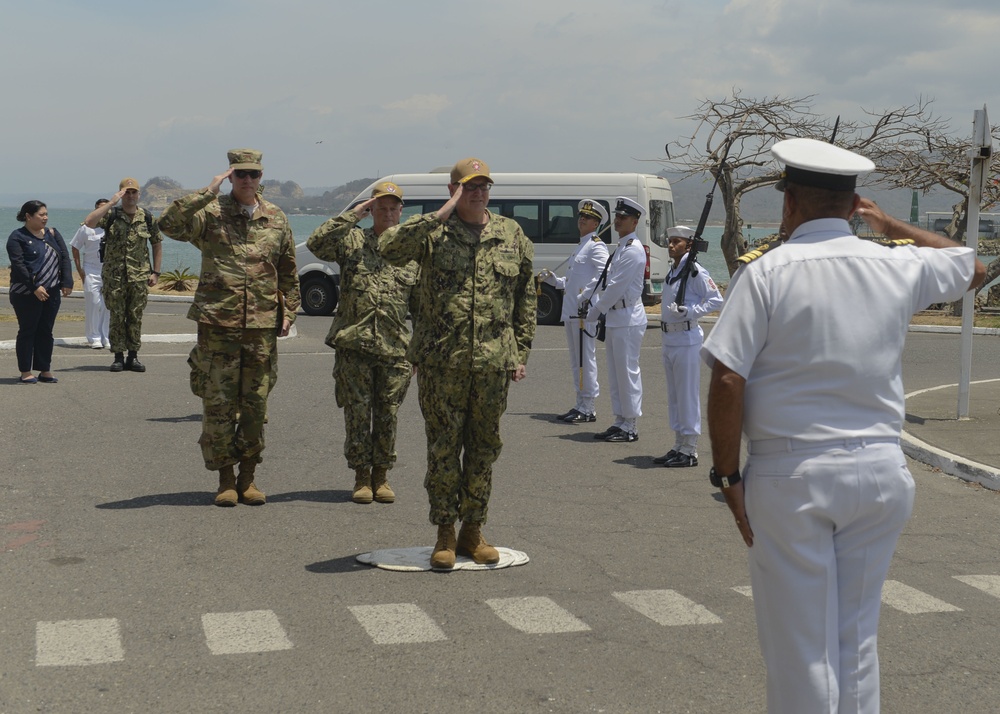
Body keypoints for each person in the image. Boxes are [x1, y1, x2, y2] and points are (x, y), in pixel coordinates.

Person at [703, 137, 985, 714]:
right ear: (855, 204)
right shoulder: (894, 264)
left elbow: (729, 380)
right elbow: (973, 267)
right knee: (854, 641)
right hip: (881, 471)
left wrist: (727, 476)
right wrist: (891, 227)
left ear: (789, 204)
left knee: (800, 647)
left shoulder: (767, 273)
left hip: (794, 475)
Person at [381, 157, 536, 569]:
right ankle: (445, 532)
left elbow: (526, 297)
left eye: (484, 185)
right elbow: (389, 247)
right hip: (440, 364)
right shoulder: (433, 232)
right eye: (469, 186)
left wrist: (519, 351)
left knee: (484, 449)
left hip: (491, 366)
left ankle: (474, 530)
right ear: (453, 190)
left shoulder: (511, 233)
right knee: (444, 449)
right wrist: (441, 214)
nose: (479, 192)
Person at [158, 149, 300, 507]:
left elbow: (288, 269)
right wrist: (207, 192)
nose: (247, 181)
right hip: (218, 325)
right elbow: (168, 225)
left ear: (261, 176)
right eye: (240, 174)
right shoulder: (210, 214)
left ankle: (248, 478)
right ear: (230, 176)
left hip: (261, 327)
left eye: (253, 174)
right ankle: (224, 479)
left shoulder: (277, 218)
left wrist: (290, 311)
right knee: (218, 404)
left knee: (255, 406)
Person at [306, 181, 419, 505]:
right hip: (354, 344)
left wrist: (418, 353)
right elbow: (316, 242)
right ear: (371, 210)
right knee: (356, 413)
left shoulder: (411, 253)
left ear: (400, 212)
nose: (386, 212)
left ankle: (381, 475)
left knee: (387, 414)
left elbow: (422, 307)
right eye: (379, 207)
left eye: (392, 207)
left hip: (395, 347)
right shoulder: (352, 241)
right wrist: (353, 215)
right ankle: (360, 476)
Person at [653, 225, 723, 467]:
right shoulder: (674, 271)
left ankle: (690, 450)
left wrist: (691, 311)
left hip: (686, 339)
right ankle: (678, 444)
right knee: (674, 397)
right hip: (669, 339)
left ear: (689, 246)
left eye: (677, 242)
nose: (671, 246)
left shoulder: (695, 272)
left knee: (687, 396)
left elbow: (716, 300)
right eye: (670, 241)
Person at [539, 199, 610, 424]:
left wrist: (586, 296)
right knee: (575, 360)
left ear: (597, 223)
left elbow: (603, 277)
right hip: (570, 312)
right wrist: (555, 281)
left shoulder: (597, 245)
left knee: (585, 360)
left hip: (583, 312)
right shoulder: (581, 245)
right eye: (581, 216)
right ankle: (580, 403)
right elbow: (571, 281)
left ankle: (588, 407)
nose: (582, 220)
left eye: (588, 218)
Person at [84, 177, 162, 373]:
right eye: (126, 192)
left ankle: (133, 356)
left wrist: (156, 272)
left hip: (138, 276)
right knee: (117, 316)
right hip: (114, 277)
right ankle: (118, 357)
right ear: (120, 193)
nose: (130, 196)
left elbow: (157, 244)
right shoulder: (111, 215)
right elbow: (89, 222)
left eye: (133, 192)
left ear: (139, 194)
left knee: (135, 316)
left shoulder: (147, 217)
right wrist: (111, 203)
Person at [586, 197, 647, 443]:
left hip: (628, 317)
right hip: (615, 317)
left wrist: (594, 310)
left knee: (627, 372)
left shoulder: (634, 250)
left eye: (623, 217)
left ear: (634, 222)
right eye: (617, 216)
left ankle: (630, 425)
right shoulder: (622, 246)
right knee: (615, 372)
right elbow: (605, 280)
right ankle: (620, 419)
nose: (618, 220)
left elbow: (616, 288)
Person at [6, 201, 73, 384]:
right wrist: (34, 287)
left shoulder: (53, 233)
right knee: (28, 330)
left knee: (46, 331)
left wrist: (67, 281)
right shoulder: (17, 237)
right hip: (25, 293)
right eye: (41, 214)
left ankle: (44, 370)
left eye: (46, 214)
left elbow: (64, 257)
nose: (45, 217)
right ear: (28, 216)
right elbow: (19, 266)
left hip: (51, 291)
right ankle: (25, 371)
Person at [70, 199, 112, 349]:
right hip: (91, 270)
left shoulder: (112, 227)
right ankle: (93, 337)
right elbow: (75, 247)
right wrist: (80, 269)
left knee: (107, 305)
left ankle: (105, 336)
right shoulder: (86, 229)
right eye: (100, 209)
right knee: (94, 303)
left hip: (109, 271)